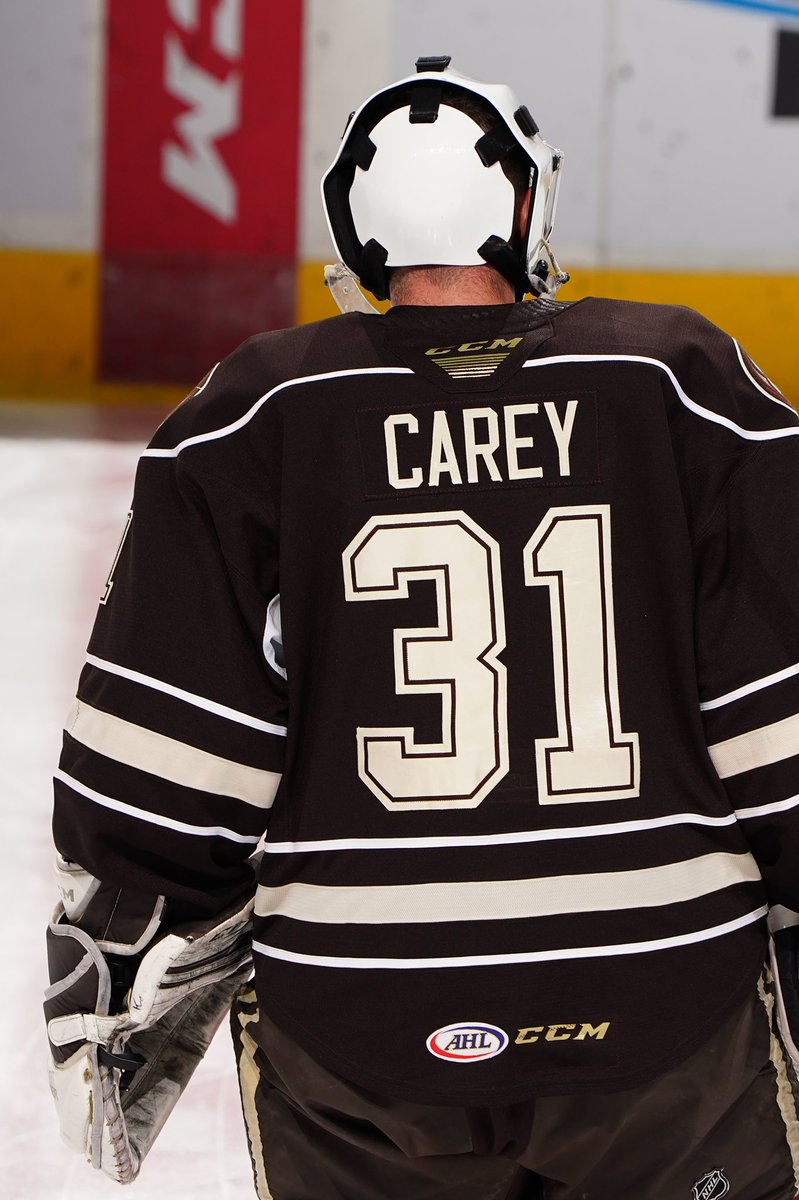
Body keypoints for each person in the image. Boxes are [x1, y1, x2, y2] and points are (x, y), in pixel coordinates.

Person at [44, 56, 799, 1200]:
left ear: (354, 226)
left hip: (360, 1027)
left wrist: (114, 976)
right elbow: (777, 721)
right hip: (659, 1008)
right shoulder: (678, 382)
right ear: (525, 206)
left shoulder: (252, 415)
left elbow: (165, 773)